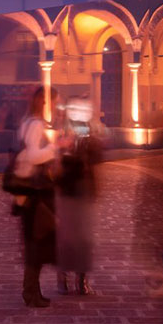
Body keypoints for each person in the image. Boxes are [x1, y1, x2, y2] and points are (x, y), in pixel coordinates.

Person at [10, 86, 58, 308]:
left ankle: (33, 290)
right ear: (43, 102)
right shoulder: (36, 124)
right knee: (35, 243)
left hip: (25, 191)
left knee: (33, 241)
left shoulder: (26, 121)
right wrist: (54, 149)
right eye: (52, 102)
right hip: (34, 192)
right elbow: (32, 155)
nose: (54, 107)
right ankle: (30, 292)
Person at [55, 101, 103, 296]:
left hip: (84, 191)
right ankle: (63, 277)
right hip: (67, 191)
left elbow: (97, 158)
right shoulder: (62, 134)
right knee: (66, 237)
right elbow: (57, 161)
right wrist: (66, 146)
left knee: (84, 238)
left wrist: (90, 143)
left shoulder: (91, 137)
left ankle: (81, 279)